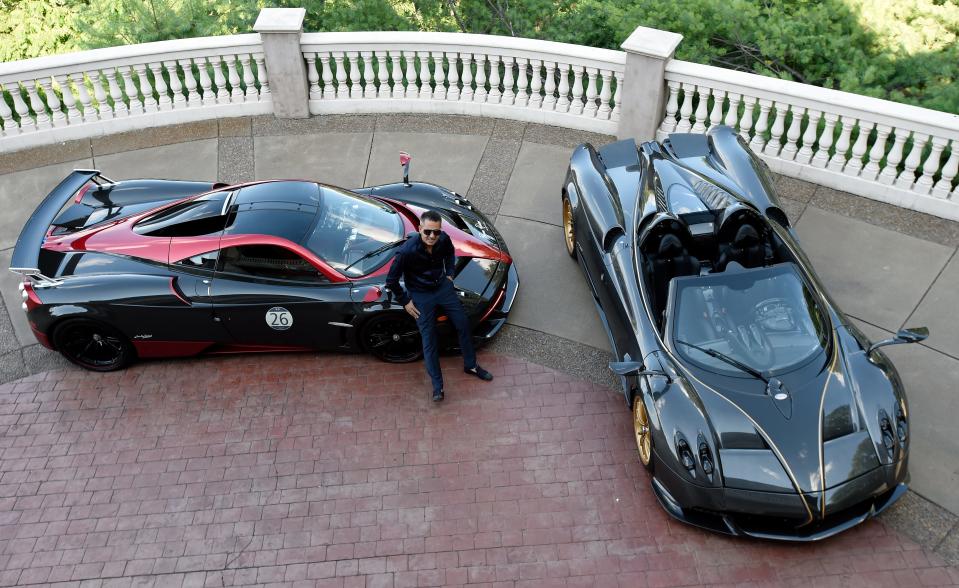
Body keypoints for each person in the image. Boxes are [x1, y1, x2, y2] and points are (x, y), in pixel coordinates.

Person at [386, 210, 493, 402]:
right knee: (429, 338)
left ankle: (471, 365)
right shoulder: (406, 252)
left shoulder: (443, 239)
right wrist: (405, 302)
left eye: (436, 232)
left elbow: (450, 254)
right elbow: (391, 280)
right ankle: (437, 386)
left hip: (442, 288)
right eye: (428, 232)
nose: (432, 236)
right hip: (420, 295)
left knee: (463, 324)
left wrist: (450, 274)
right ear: (419, 229)